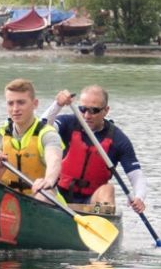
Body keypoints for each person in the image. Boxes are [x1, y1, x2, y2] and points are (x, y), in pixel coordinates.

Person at [45, 85, 147, 215]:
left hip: (91, 206)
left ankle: (101, 225)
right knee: (43, 187)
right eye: (83, 109)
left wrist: (139, 197)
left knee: (108, 190)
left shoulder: (119, 140)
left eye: (94, 110)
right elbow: (42, 127)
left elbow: (136, 174)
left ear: (106, 110)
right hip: (59, 198)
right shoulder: (68, 123)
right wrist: (57, 105)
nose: (87, 115)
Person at [0, 78, 62, 196]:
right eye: (10, 103)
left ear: (35, 104)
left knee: (45, 193)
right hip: (7, 203)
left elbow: (54, 160)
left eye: (21, 102)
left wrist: (48, 181)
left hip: (41, 199)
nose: (15, 109)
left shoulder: (47, 134)